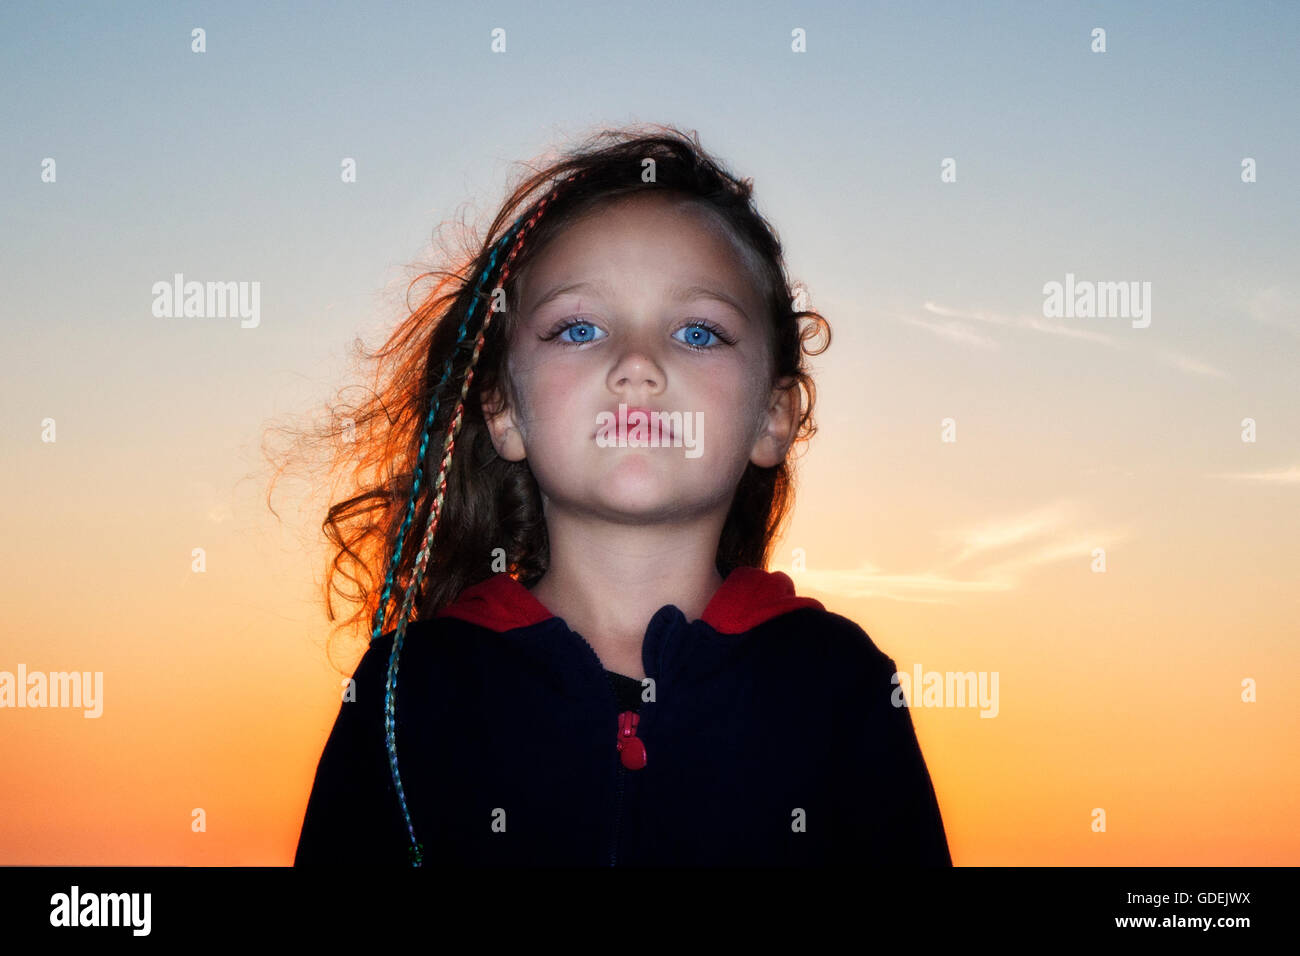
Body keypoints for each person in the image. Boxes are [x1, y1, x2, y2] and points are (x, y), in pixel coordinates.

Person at [290, 125, 952, 866]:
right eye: (579, 328)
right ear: (503, 410)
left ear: (774, 416)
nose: (637, 364)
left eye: (699, 333)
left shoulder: (838, 687)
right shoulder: (408, 692)